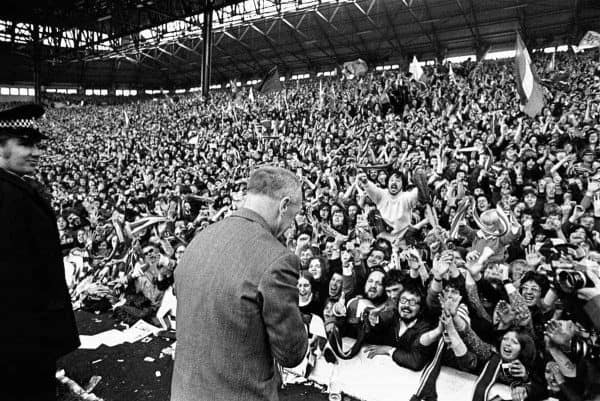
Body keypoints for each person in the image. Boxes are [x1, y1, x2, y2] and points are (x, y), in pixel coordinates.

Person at [171, 166, 308, 401]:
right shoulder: (278, 259)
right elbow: (291, 353)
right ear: (284, 205)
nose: (289, 227)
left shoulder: (201, 238)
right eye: (293, 217)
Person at [0, 104, 79, 401]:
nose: (36, 152)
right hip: (19, 336)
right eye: (24, 144)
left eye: (36, 144)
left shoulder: (17, 186)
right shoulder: (6, 195)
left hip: (29, 333)